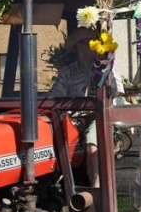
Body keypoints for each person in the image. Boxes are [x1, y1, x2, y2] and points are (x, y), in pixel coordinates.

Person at [47, 26, 123, 187]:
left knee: (92, 147)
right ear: (75, 47)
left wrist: (106, 75)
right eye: (80, 43)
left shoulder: (105, 67)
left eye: (88, 42)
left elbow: (116, 91)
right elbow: (54, 97)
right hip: (71, 118)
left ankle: (96, 189)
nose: (84, 46)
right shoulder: (67, 71)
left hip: (98, 116)